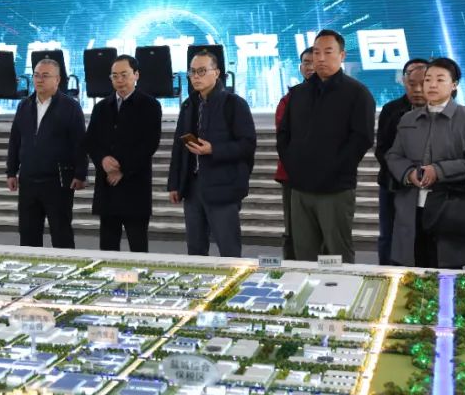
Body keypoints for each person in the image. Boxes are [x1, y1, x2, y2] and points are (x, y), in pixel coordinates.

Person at [277, 29, 375, 263]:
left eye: (328, 52)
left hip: (335, 189)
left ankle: (342, 288)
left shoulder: (357, 93)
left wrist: (332, 170)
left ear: (342, 55)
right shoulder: (298, 94)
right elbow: (284, 135)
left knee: (337, 251)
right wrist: (294, 168)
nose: (320, 58)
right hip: (300, 188)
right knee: (303, 251)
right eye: (316, 52)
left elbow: (361, 139)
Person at [385, 58, 465, 269]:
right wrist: (409, 173)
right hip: (412, 208)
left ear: (454, 85)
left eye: (440, 79)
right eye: (428, 79)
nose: (432, 85)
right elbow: (393, 155)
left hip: (450, 208)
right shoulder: (408, 119)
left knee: (446, 272)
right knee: (413, 270)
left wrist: (438, 171)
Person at [167, 49, 256, 257]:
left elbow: (247, 145)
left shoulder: (234, 104)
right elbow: (178, 147)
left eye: (201, 71)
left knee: (228, 249)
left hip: (223, 187)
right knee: (195, 249)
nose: (195, 76)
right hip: (192, 187)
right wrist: (174, 184)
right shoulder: (189, 105)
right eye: (192, 72)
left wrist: (213, 149)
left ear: (216, 73)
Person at [6, 58, 88, 248]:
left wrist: (80, 173)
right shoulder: (24, 105)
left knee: (61, 234)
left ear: (57, 79)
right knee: (28, 234)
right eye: (36, 75)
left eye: (45, 76)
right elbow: (15, 140)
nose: (39, 80)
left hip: (57, 181)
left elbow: (80, 143)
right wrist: (11, 171)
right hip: (28, 180)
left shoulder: (70, 106)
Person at [84, 54, 162, 252]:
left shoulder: (150, 105)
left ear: (136, 75)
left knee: (138, 246)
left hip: (135, 186)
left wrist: (122, 169)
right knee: (108, 247)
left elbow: (149, 144)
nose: (119, 80)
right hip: (107, 187)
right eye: (115, 76)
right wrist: (102, 160)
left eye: (124, 75)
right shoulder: (101, 107)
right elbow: (91, 141)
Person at [374, 58, 428, 265]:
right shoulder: (392, 110)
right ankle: (386, 274)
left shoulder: (445, 113)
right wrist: (404, 173)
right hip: (392, 184)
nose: (417, 89)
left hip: (429, 185)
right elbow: (383, 149)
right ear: (404, 81)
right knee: (388, 234)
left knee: (422, 237)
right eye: (411, 83)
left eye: (422, 82)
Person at [273, 48, 314, 260]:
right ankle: (292, 266)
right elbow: (284, 138)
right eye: (306, 62)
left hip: (326, 176)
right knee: (293, 228)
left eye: (314, 61)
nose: (310, 66)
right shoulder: (289, 99)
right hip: (292, 175)